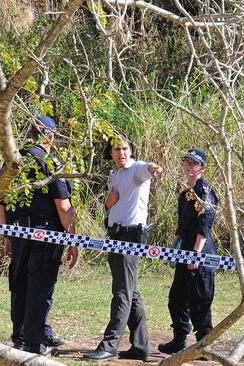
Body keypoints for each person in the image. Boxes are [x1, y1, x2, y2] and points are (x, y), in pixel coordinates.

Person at [0, 116, 78, 355]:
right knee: (40, 286)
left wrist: (7, 234)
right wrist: (73, 240)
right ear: (51, 136)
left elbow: (0, 198)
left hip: (18, 233)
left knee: (20, 285)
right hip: (46, 236)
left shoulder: (15, 161)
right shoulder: (50, 162)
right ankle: (34, 343)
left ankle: (20, 337)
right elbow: (63, 207)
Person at [83, 138, 162, 362]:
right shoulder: (115, 174)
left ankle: (109, 346)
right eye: (117, 149)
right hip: (116, 235)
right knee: (131, 291)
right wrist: (108, 203)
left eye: (125, 148)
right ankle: (140, 346)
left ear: (131, 151)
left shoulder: (136, 169)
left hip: (130, 236)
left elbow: (149, 168)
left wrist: (155, 168)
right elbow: (111, 206)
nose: (121, 152)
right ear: (111, 153)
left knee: (122, 293)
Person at [158, 148, 219, 354]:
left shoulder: (205, 193)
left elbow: (205, 224)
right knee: (177, 297)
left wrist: (196, 253)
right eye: (186, 161)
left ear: (203, 167)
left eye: (194, 163)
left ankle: (204, 346)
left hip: (200, 250)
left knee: (200, 300)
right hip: (185, 249)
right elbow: (182, 226)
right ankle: (179, 338)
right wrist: (173, 245)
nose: (188, 166)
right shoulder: (185, 195)